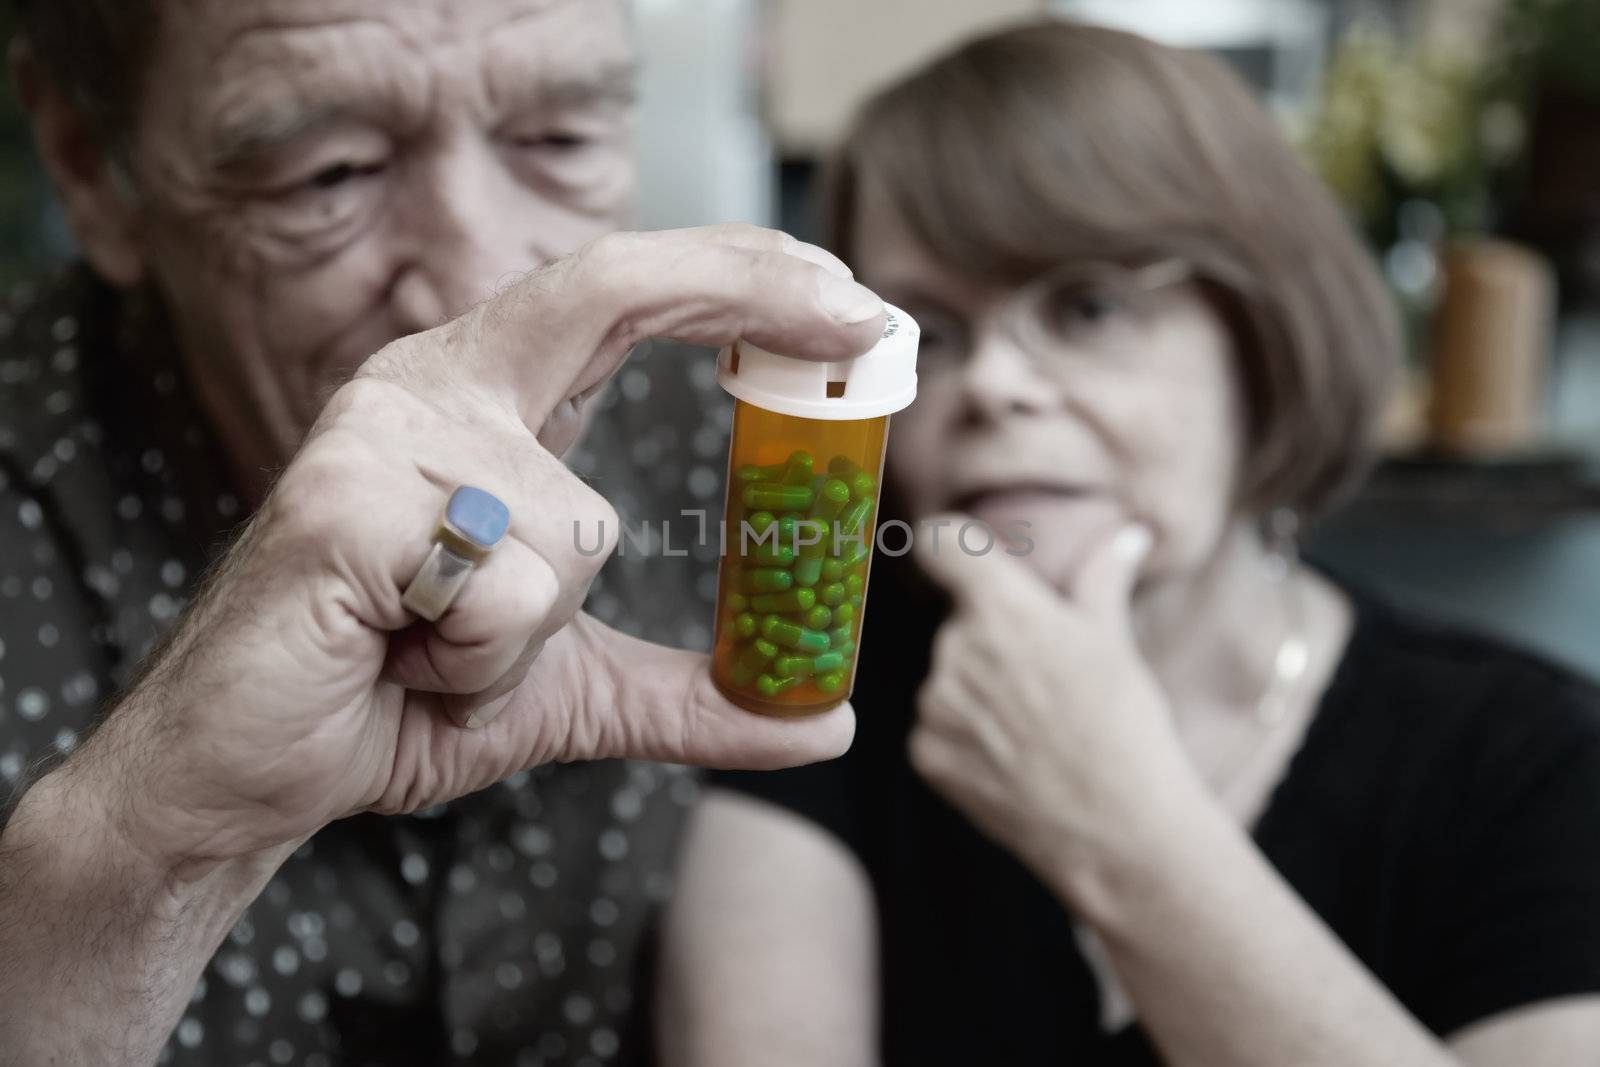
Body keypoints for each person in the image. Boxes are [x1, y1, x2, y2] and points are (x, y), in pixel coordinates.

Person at [658, 21, 1600, 1067]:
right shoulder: (814, 696)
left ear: (1260, 339)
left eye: (1088, 306)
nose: (996, 386)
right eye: (932, 332)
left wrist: (1124, 827)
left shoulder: (1533, 762)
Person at [0, 1, 888, 1063]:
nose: (475, 281)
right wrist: (141, 854)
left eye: (557, 140)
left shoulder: (732, 442)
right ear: (91, 166)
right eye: (330, 174)